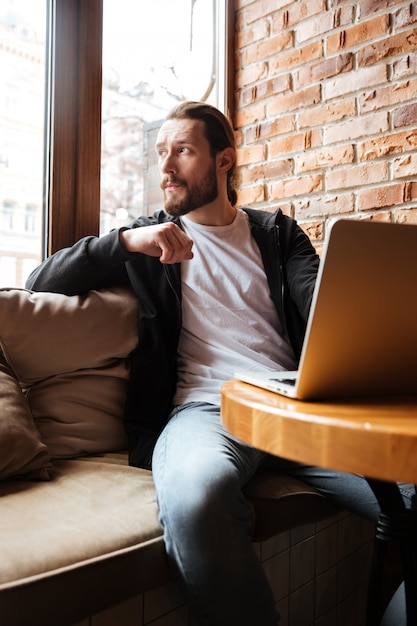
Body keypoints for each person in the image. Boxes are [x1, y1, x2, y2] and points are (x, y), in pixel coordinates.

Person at [26, 101, 412, 626]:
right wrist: (124, 241)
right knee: (197, 498)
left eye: (182, 151)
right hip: (208, 412)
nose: (165, 167)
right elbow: (41, 283)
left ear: (224, 160)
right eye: (160, 153)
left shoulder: (277, 234)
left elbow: (322, 300)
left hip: (295, 406)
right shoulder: (148, 239)